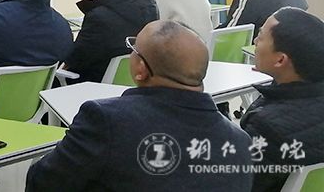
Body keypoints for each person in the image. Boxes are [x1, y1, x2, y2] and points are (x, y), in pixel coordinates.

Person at [26, 20, 253, 192]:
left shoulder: (105, 121)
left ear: (141, 69)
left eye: (133, 49)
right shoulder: (241, 143)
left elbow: (43, 182)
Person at [240, 7, 324, 192]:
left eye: (260, 37)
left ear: (280, 60)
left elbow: (236, 183)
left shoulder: (265, 127)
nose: (255, 42)